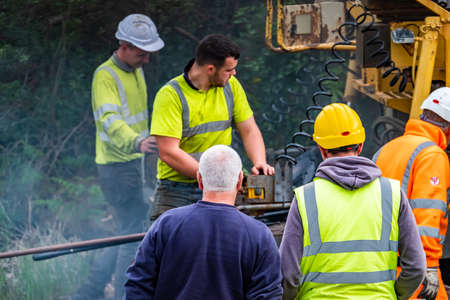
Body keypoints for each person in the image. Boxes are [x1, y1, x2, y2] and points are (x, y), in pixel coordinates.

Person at [280, 103, 426, 300]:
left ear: (321, 149)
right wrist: (394, 295)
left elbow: (288, 274)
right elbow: (416, 267)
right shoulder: (392, 193)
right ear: (361, 146)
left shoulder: (306, 198)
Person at [72, 14, 164, 300]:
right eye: (141, 54)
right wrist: (137, 141)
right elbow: (110, 121)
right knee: (131, 232)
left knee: (122, 228)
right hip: (117, 166)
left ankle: (90, 291)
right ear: (123, 45)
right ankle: (126, 295)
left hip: (133, 162)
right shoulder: (105, 76)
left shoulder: (136, 69)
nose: (146, 60)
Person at [124, 145, 282, 299]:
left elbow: (137, 285)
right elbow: (268, 294)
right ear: (240, 180)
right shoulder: (259, 235)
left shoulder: (167, 224)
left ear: (199, 178)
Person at [149, 34, 274, 223]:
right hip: (177, 191)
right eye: (229, 70)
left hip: (221, 188)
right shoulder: (170, 95)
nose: (234, 74)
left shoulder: (231, 86)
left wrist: (259, 161)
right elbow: (168, 152)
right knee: (164, 248)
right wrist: (212, 177)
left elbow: (249, 129)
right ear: (210, 69)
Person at [373, 87, 450, 300]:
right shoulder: (432, 155)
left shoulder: (386, 149)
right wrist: (430, 267)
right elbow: (427, 215)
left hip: (380, 267)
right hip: (412, 269)